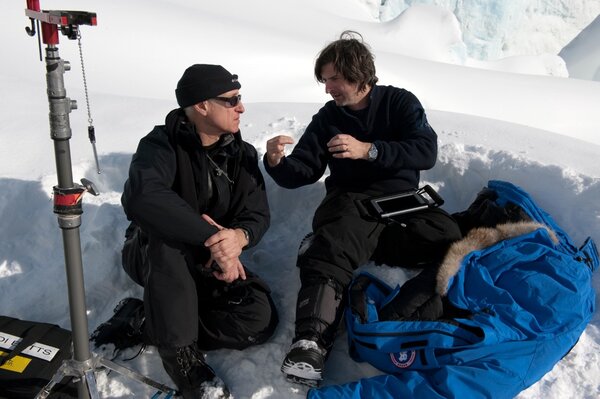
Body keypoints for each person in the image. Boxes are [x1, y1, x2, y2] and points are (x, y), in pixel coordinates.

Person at [264, 31, 462, 387]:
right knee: (335, 245)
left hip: (402, 203)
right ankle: (310, 344)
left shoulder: (399, 103)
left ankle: (418, 309)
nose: (328, 88)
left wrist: (369, 150)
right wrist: (277, 163)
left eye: (334, 79)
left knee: (448, 237)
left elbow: (424, 151)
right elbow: (304, 169)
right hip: (350, 202)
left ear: (358, 74)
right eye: (325, 81)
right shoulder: (328, 118)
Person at [121, 64, 278, 398]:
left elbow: (257, 213)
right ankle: (181, 358)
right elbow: (141, 196)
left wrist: (238, 238)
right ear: (202, 105)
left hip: (210, 260)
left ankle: (145, 322)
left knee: (258, 320)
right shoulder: (161, 144)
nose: (241, 108)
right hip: (153, 256)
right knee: (168, 240)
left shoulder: (241, 153)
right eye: (232, 100)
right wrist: (211, 239)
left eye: (240, 98)